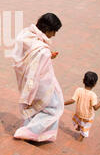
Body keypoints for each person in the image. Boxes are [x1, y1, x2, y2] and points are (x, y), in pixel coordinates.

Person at [11, 13, 64, 143]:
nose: (54, 35)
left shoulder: (26, 34)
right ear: (47, 30)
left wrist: (48, 56)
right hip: (40, 84)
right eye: (54, 31)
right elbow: (39, 71)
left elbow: (27, 57)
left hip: (25, 79)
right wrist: (46, 56)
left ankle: (30, 129)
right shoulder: (42, 50)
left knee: (34, 107)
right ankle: (30, 131)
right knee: (53, 108)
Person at [64, 72, 100, 142]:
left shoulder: (78, 90)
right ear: (95, 84)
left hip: (78, 113)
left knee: (80, 119)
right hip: (87, 117)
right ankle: (79, 140)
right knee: (85, 129)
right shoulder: (93, 95)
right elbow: (95, 108)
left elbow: (72, 100)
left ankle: (79, 125)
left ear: (83, 80)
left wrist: (63, 103)